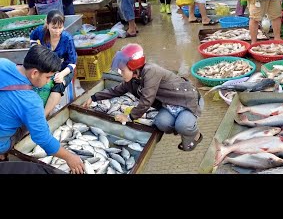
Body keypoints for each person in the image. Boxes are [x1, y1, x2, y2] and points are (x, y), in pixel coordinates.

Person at [82, 43, 204, 151]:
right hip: (169, 105)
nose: (120, 73)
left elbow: (147, 100)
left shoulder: (151, 71)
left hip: (187, 100)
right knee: (161, 123)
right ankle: (183, 127)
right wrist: (93, 98)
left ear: (133, 67)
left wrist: (129, 117)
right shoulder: (133, 79)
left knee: (183, 126)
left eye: (122, 70)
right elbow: (116, 90)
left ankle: (195, 134)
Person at [0, 45, 84, 173]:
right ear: (34, 73)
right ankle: (3, 153)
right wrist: (69, 157)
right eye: (48, 77)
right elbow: (43, 138)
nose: (49, 81)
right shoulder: (31, 102)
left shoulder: (3, 63)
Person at [30, 10, 77, 117]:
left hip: (64, 68)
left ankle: (43, 115)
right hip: (47, 65)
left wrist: (61, 75)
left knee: (59, 84)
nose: (57, 31)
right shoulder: (41, 32)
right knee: (37, 81)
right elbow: (32, 37)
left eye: (60, 28)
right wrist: (35, 48)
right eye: (54, 27)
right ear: (47, 24)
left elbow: (72, 62)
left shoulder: (67, 38)